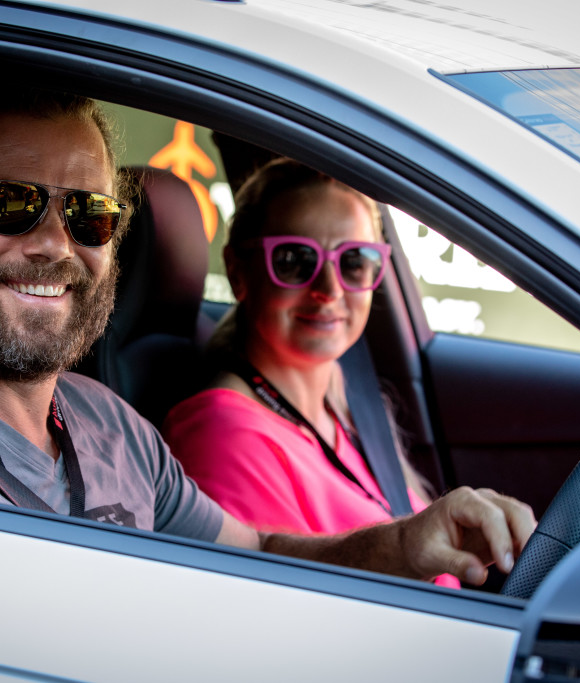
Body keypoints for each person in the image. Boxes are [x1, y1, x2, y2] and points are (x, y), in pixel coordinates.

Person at [0, 77, 534, 586]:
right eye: (10, 203)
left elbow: (258, 555)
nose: (55, 243)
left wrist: (404, 547)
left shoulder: (110, 423)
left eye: (89, 214)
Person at [162, 159, 471, 586]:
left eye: (354, 261)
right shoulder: (223, 432)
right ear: (238, 272)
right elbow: (269, 602)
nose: (329, 289)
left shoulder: (342, 402)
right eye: (294, 260)